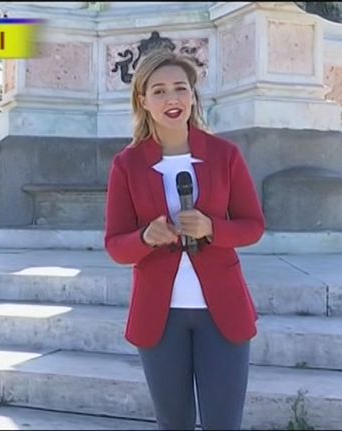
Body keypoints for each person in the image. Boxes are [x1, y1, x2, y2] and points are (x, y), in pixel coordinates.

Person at [103, 50, 265, 430]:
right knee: (173, 423)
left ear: (193, 95)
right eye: (159, 91)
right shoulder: (126, 165)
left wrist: (212, 228)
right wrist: (145, 237)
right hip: (158, 316)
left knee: (223, 423)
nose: (171, 99)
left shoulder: (225, 155)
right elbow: (115, 245)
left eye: (180, 88)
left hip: (223, 312)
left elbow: (253, 226)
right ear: (143, 101)